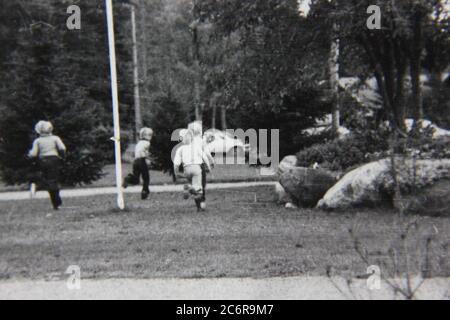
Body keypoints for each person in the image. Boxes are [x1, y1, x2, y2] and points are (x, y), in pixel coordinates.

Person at [28, 121, 66, 210]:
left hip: (42, 161)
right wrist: (63, 157)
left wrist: (29, 156)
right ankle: (57, 203)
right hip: (53, 160)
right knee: (54, 180)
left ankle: (55, 203)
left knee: (48, 180)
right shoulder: (55, 138)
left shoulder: (37, 141)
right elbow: (62, 148)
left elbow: (33, 154)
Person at [173, 129, 211, 211]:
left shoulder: (180, 149)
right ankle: (192, 192)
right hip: (196, 169)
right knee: (199, 191)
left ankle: (198, 205)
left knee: (194, 187)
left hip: (186, 170)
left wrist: (176, 172)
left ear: (181, 139)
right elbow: (204, 157)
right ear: (192, 138)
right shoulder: (196, 147)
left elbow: (176, 163)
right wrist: (208, 166)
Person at [187, 121, 214, 210]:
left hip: (189, 165)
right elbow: (205, 152)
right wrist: (210, 162)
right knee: (202, 184)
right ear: (199, 131)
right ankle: (202, 201)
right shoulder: (200, 141)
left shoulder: (188, 141)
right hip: (199, 165)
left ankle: (198, 204)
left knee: (195, 185)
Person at [123, 128, 153, 200]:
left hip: (136, 161)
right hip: (141, 161)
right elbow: (145, 153)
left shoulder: (139, 143)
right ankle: (144, 193)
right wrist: (149, 159)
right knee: (146, 178)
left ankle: (128, 178)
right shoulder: (147, 143)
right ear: (147, 136)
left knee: (136, 179)